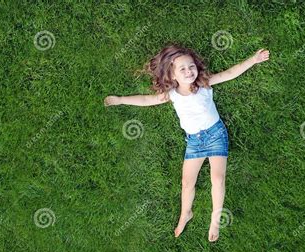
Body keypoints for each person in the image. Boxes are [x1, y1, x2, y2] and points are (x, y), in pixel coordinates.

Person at [104, 45, 270, 242]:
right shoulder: (172, 94)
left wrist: (253, 59)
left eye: (191, 66)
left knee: (217, 179)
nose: (189, 71)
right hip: (194, 142)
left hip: (216, 134)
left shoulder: (204, 84)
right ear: (172, 75)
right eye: (182, 69)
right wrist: (121, 100)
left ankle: (215, 219)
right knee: (186, 183)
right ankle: (186, 213)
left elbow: (231, 73)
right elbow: (146, 100)